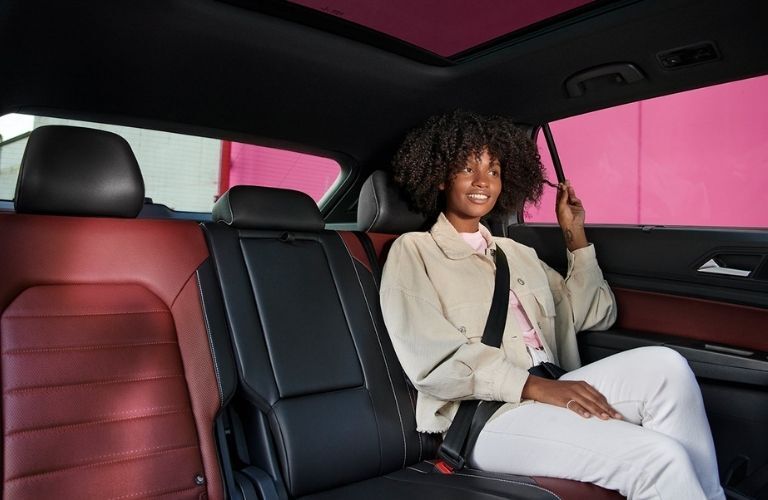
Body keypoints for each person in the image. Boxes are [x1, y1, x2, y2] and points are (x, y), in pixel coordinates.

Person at [379, 110, 724, 500]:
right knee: (660, 457)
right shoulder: (415, 251)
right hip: (487, 417)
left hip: (553, 388)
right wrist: (535, 387)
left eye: (493, 171)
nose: (482, 182)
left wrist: (574, 235)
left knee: (667, 365)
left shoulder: (517, 254)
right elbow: (433, 360)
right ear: (440, 177)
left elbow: (594, 312)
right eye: (467, 169)